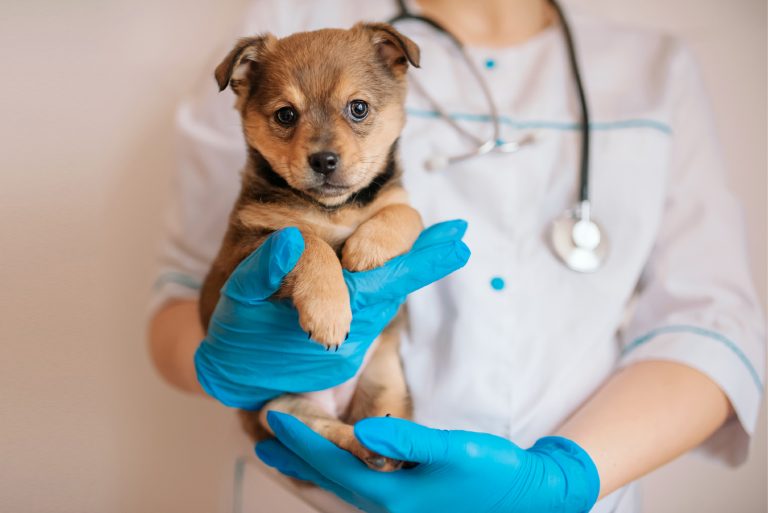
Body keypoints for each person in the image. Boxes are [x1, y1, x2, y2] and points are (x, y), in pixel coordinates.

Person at [147, 0, 766, 511]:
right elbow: (176, 297)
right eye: (287, 117)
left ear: (394, 77)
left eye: (357, 111)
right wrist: (221, 355)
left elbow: (711, 325)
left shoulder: (655, 69)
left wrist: (565, 478)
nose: (325, 146)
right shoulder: (289, 26)